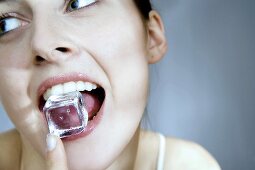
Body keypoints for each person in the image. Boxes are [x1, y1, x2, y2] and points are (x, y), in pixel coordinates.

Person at [0, 0, 221, 169]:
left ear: (151, 37)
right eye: (6, 24)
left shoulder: (190, 164)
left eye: (79, 2)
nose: (42, 44)